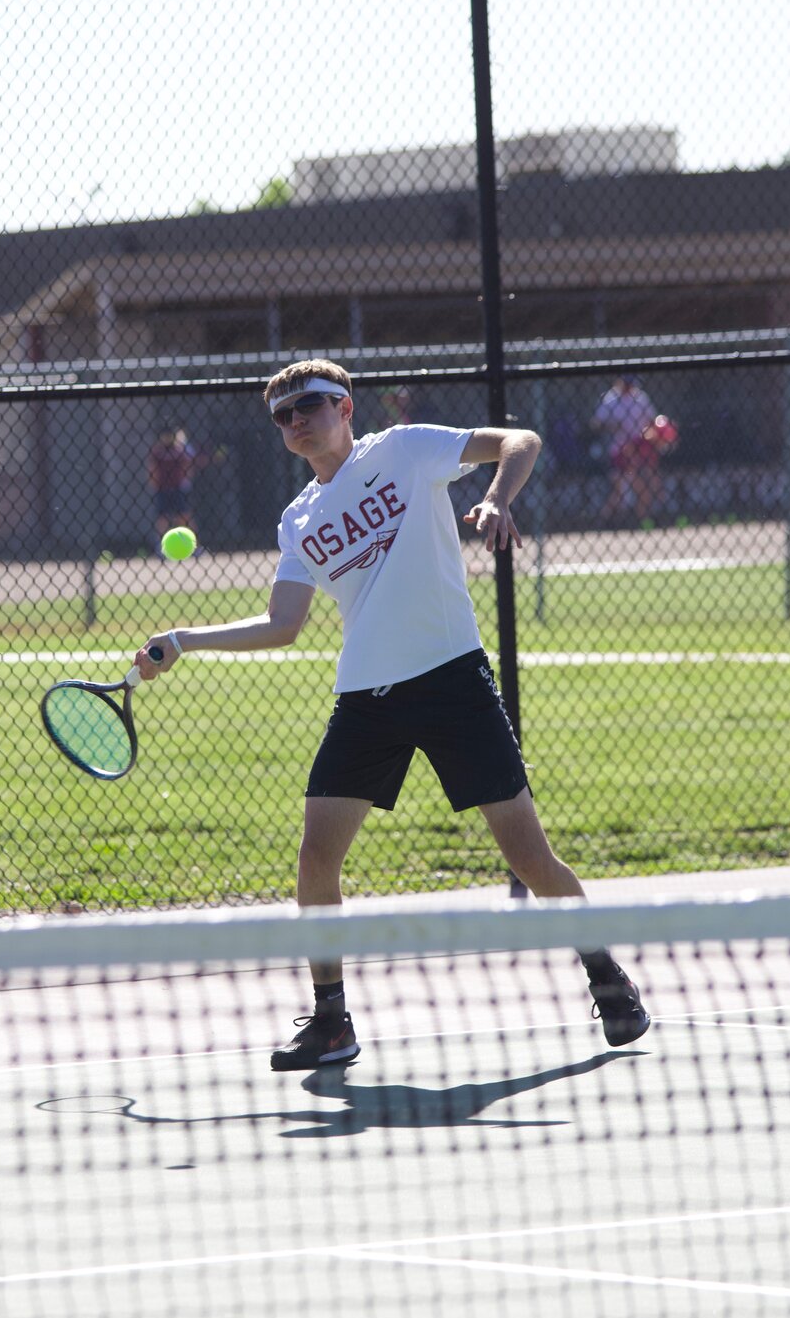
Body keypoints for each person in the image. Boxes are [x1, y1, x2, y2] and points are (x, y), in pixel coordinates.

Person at [135, 360, 650, 1070]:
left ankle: (606, 974)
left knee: (529, 857)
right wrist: (186, 640)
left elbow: (520, 440)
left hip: (453, 682)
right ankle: (331, 1022)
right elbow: (284, 623)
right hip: (367, 698)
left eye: (307, 406)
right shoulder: (299, 518)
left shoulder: (405, 449)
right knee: (317, 860)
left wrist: (498, 499)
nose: (295, 422)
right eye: (282, 416)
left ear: (344, 406)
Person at [590, 373, 662, 525]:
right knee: (621, 491)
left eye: (631, 384)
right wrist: (613, 425)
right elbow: (595, 424)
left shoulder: (640, 397)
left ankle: (642, 519)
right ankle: (604, 521)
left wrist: (654, 434)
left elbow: (652, 422)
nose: (629, 387)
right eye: (626, 383)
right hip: (619, 448)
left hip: (640, 446)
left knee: (645, 485)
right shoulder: (610, 399)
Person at [147, 429, 196, 551]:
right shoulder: (157, 452)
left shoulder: (179, 451)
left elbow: (187, 466)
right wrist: (154, 483)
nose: (167, 438)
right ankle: (160, 546)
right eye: (165, 436)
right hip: (162, 488)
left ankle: (193, 546)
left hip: (177, 488)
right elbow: (152, 469)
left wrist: (185, 482)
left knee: (184, 515)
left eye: (169, 435)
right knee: (162, 517)